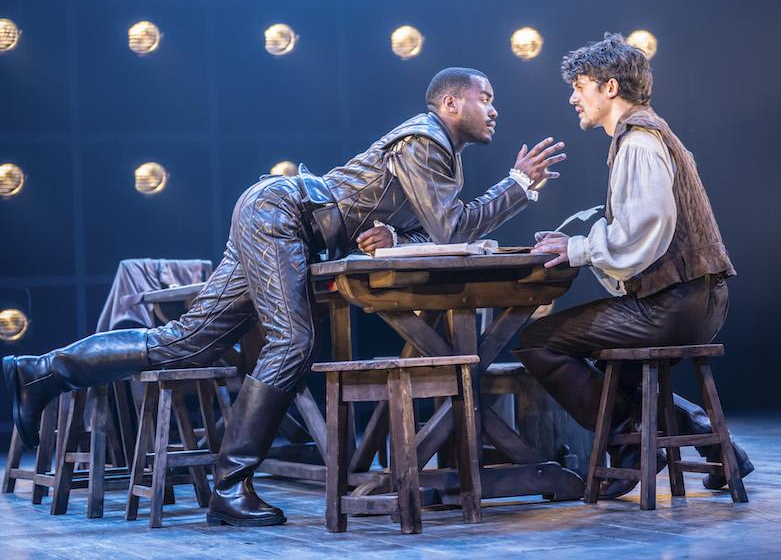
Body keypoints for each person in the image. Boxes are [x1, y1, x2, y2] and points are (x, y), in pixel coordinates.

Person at [3, 67, 566, 526]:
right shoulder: (427, 140)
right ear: (450, 102)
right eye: (486, 98)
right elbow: (451, 228)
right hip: (282, 216)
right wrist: (517, 185)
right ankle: (229, 487)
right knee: (292, 342)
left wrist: (395, 237)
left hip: (277, 215)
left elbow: (427, 226)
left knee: (185, 343)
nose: (494, 109)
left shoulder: (437, 150)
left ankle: (40, 372)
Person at [513, 34, 753, 498]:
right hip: (697, 298)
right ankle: (716, 447)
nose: (573, 98)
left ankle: (628, 441)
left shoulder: (639, 141)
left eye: (579, 86)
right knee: (621, 375)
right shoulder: (650, 134)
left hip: (675, 304)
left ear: (610, 87)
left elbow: (645, 226)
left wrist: (578, 249)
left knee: (538, 341)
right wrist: (581, 244)